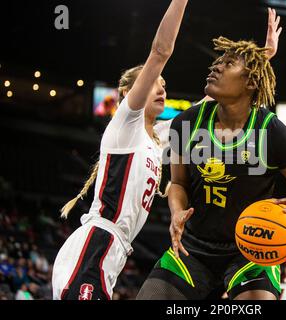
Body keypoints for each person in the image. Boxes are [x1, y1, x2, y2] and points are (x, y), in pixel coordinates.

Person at [137, 9, 286, 300]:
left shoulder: (271, 131)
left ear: (250, 83)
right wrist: (177, 211)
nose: (214, 67)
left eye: (226, 64)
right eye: (216, 61)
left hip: (251, 250)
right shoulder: (185, 123)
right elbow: (178, 184)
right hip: (193, 248)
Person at [51, 0, 189, 300]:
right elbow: (160, 52)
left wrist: (259, 62)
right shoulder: (127, 123)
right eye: (155, 82)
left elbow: (207, 107)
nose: (162, 88)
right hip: (96, 245)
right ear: (129, 93)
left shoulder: (157, 137)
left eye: (165, 84)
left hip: (113, 252)